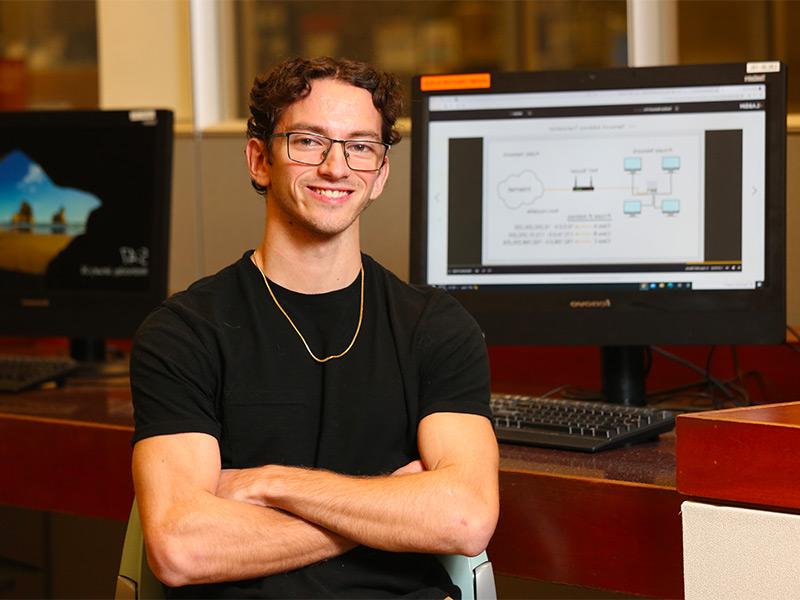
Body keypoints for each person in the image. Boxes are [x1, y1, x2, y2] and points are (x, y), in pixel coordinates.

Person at [130, 56, 499, 599]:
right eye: (308, 141)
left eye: (360, 147)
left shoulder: (436, 328)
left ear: (380, 175)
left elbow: (464, 518)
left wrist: (265, 483)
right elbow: (181, 548)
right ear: (259, 159)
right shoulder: (184, 332)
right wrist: (386, 515)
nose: (336, 167)